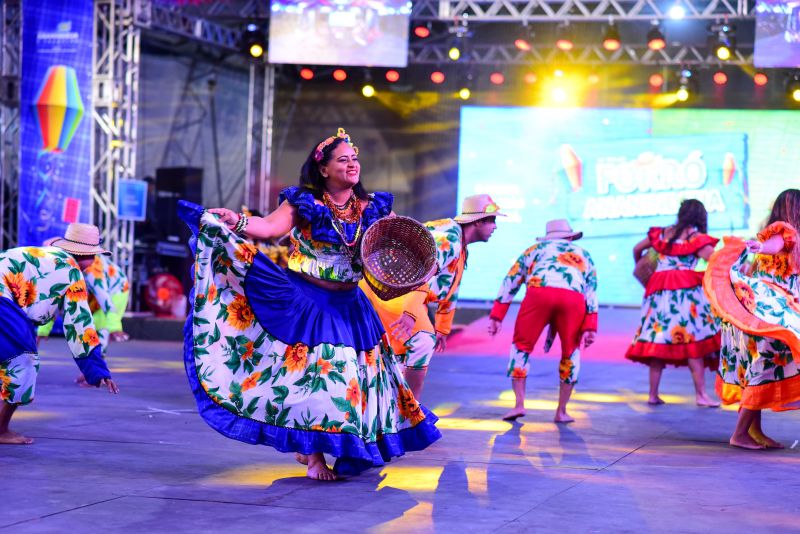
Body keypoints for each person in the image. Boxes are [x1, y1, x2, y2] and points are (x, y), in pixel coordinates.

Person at [179, 128, 440, 481]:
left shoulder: (373, 206)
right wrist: (236, 221)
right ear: (323, 169)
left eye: (355, 159)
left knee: (354, 382)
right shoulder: (304, 202)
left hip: (351, 305)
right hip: (308, 301)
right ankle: (315, 456)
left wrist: (421, 262)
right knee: (315, 380)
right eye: (343, 160)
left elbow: (396, 243)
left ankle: (341, 448)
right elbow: (269, 227)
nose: (352, 165)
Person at [361, 195, 503, 399]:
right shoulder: (450, 239)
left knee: (403, 350)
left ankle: (394, 405)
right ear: (478, 221)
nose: (495, 227)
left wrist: (443, 328)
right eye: (492, 220)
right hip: (394, 290)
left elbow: (452, 286)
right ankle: (408, 409)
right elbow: (424, 272)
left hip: (398, 291)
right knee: (422, 340)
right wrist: (410, 313)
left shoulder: (457, 239)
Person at [0, 223, 119, 444]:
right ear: (80, 254)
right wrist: (97, 369)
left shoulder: (45, 255)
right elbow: (79, 326)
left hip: (6, 301)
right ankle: (1, 429)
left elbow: (37, 305)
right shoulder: (71, 270)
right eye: (92, 256)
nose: (93, 263)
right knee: (23, 361)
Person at [706, 189, 800, 449]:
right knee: (764, 368)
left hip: (766, 310)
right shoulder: (784, 232)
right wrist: (762, 246)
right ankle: (739, 434)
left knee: (760, 368)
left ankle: (753, 431)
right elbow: (776, 244)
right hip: (772, 312)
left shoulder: (779, 232)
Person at [488, 219, 598, 423]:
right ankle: (561, 411)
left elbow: (510, 280)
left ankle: (519, 404)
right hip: (572, 300)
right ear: (571, 237)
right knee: (570, 352)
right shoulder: (584, 254)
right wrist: (590, 325)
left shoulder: (534, 250)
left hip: (538, 295)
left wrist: (497, 315)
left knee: (521, 347)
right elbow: (591, 291)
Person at [626, 199, 720, 407]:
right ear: (700, 216)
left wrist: (643, 266)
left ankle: (652, 394)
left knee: (659, 339)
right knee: (691, 339)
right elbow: (713, 258)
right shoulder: (694, 237)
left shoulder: (662, 233)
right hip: (684, 290)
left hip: (658, 289)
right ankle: (701, 395)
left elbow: (636, 249)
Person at [38, 252, 131, 350]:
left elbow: (105, 299)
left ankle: (98, 359)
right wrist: (44, 329)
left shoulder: (92, 270)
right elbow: (57, 297)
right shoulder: (63, 266)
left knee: (99, 328)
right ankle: (95, 358)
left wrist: (114, 326)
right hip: (91, 292)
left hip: (117, 289)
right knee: (86, 330)